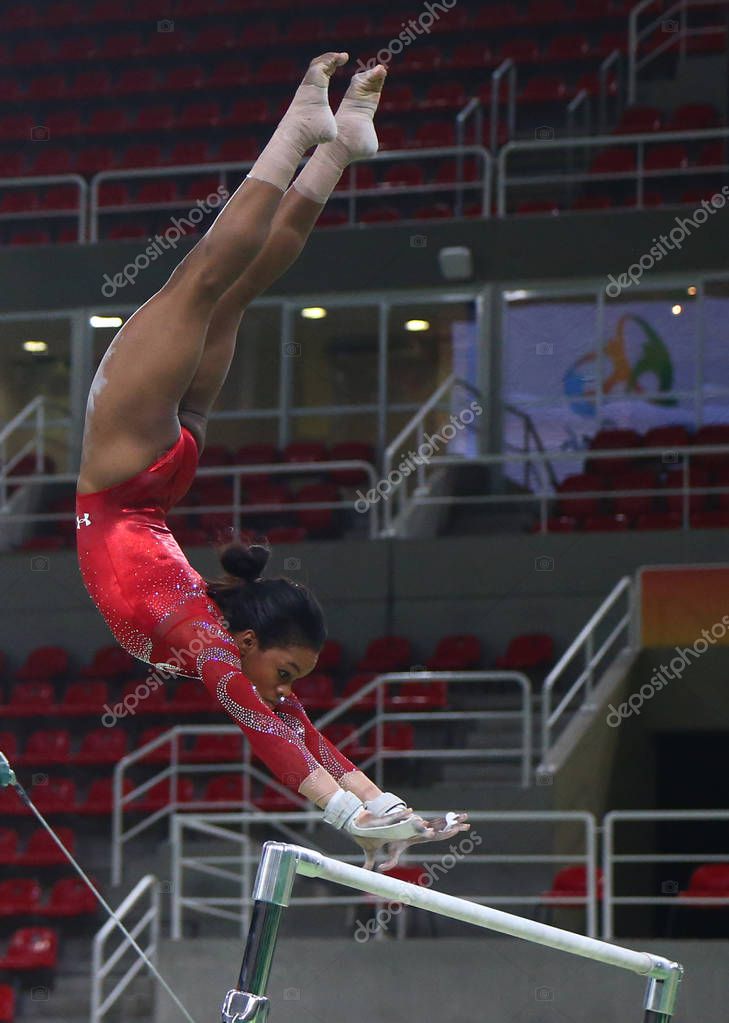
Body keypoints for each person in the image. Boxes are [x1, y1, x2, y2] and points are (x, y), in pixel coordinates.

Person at [76, 52, 469, 869]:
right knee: (224, 286)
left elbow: (277, 728)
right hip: (146, 477)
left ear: (252, 639)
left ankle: (319, 134)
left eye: (285, 670)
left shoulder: (211, 642)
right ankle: (325, 140)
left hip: (131, 473)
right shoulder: (215, 638)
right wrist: (367, 809)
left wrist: (359, 811)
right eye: (288, 670)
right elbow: (287, 723)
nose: (284, 685)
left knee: (207, 280)